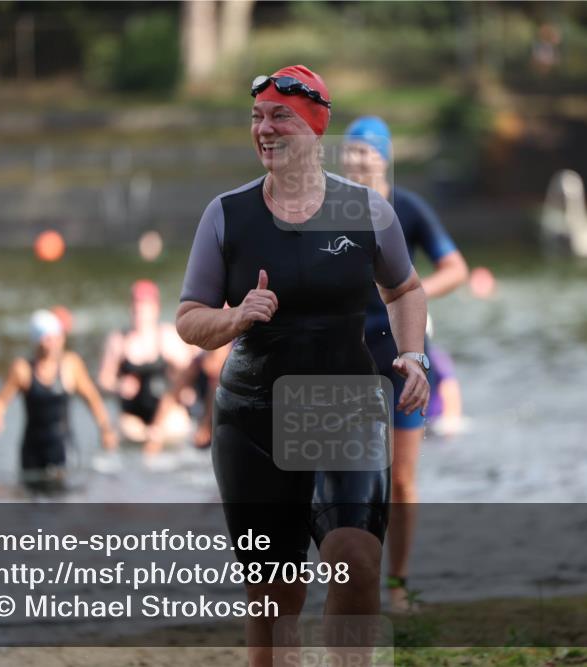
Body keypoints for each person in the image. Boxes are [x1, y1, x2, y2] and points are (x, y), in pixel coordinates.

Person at [176, 65, 429, 667]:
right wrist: (235, 318)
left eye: (279, 116)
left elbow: (406, 290)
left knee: (355, 559)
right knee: (273, 600)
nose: (264, 128)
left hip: (343, 405)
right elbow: (188, 319)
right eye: (257, 118)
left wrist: (412, 354)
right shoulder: (227, 215)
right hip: (253, 416)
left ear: (317, 126)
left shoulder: (368, 211)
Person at [342, 115, 469, 612]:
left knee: (400, 480)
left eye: (365, 152)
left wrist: (410, 295)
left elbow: (456, 269)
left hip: (404, 357)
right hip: (350, 360)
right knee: (350, 478)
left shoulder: (407, 209)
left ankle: (398, 583)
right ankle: (356, 584)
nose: (355, 161)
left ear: (384, 157)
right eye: (349, 152)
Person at [0, 309, 118, 493]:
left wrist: (105, 429)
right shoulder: (23, 369)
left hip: (63, 448)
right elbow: (0, 401)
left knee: (63, 499)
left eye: (58, 338)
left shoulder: (70, 365)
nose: (55, 344)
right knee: (30, 499)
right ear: (37, 341)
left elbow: (92, 398)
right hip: (32, 449)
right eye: (49, 339)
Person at [98, 280, 193, 455]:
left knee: (178, 425)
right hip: (133, 418)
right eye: (136, 306)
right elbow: (104, 380)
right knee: (121, 431)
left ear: (155, 309)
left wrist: (183, 386)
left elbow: (190, 372)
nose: (139, 312)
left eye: (144, 307)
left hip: (167, 415)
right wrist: (118, 386)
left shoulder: (167, 337)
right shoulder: (119, 340)